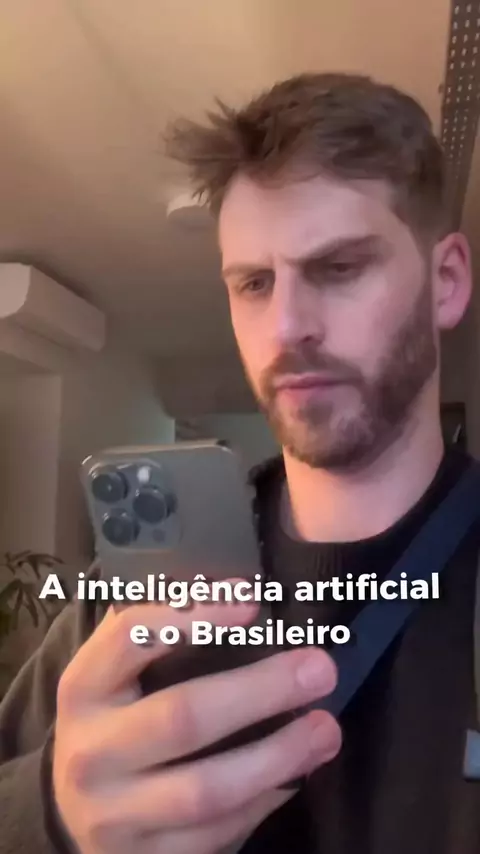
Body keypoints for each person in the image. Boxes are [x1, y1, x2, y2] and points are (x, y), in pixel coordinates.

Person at [0, 72, 477, 854]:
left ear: (446, 283)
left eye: (339, 268)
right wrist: (50, 819)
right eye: (254, 283)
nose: (286, 326)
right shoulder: (135, 601)